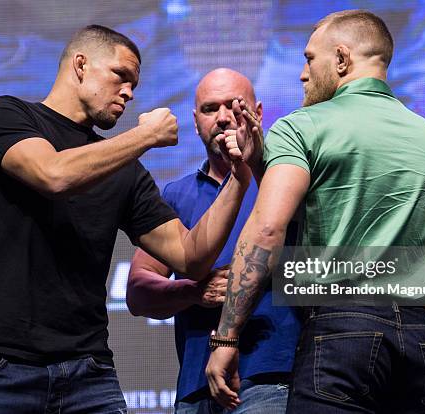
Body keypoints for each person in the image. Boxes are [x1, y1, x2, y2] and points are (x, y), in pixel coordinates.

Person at [0, 25, 254, 414]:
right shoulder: (5, 116)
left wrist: (240, 178)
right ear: (80, 64)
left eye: (134, 84)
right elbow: (53, 175)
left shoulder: (123, 169)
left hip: (89, 375)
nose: (128, 92)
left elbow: (190, 256)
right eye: (120, 77)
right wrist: (144, 137)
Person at [205, 10, 425, 414]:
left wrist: (227, 338)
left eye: (309, 59)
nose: (303, 74)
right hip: (419, 340)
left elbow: (267, 229)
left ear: (341, 59)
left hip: (340, 335)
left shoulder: (302, 127)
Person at [126, 68, 301, 414]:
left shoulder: (286, 183)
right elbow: (137, 291)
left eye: (234, 106)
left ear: (258, 113)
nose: (222, 118)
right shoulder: (177, 194)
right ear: (195, 121)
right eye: (209, 109)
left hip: (272, 377)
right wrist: (191, 291)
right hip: (195, 388)